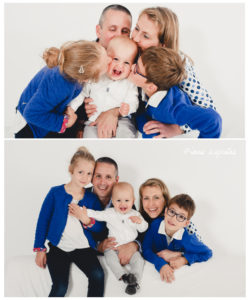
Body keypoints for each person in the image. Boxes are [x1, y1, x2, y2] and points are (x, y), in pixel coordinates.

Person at [86, 6, 218, 138]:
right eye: (136, 28)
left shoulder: (178, 64)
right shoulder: (128, 49)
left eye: (146, 36)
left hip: (161, 112)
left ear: (162, 45)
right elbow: (78, 68)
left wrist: (179, 129)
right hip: (137, 114)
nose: (136, 38)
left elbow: (209, 108)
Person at [33, 147, 105, 297]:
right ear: (71, 170)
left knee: (98, 275)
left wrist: (86, 220)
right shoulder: (55, 193)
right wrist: (40, 248)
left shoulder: (92, 199)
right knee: (60, 286)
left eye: (89, 174)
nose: (85, 177)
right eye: (80, 172)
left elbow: (101, 228)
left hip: (83, 248)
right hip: (59, 248)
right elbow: (43, 220)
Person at [15, 40, 111, 138]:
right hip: (30, 125)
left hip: (41, 112)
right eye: (106, 63)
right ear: (86, 78)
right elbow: (31, 113)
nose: (110, 60)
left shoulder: (76, 66)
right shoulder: (60, 85)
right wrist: (64, 122)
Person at [70, 182, 148, 295]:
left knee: (139, 261)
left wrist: (140, 222)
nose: (122, 204)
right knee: (110, 258)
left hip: (130, 249)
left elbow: (143, 228)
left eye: (126, 200)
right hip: (113, 247)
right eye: (118, 200)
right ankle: (123, 276)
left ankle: (134, 280)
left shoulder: (136, 215)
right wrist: (84, 212)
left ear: (133, 200)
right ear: (113, 200)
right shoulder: (110, 213)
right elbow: (97, 214)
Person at [128, 47, 222, 138]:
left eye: (136, 69)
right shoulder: (147, 89)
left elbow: (213, 120)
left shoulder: (173, 109)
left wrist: (203, 148)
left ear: (151, 87)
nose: (131, 66)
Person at [69, 36, 139, 138]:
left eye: (126, 62)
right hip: (94, 121)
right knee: (89, 137)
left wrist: (127, 108)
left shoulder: (129, 83)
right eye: (116, 59)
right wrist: (72, 107)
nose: (120, 65)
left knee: (126, 133)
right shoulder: (97, 75)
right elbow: (81, 92)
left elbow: (134, 101)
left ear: (132, 67)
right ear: (106, 58)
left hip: (121, 121)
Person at [142, 194, 213, 283]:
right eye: (172, 212)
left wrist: (184, 259)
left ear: (186, 223)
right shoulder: (155, 225)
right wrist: (160, 264)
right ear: (165, 211)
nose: (173, 218)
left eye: (181, 217)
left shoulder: (188, 237)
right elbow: (145, 249)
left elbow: (207, 253)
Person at [89, 157, 140, 265]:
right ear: (91, 178)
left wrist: (134, 244)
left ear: (116, 180)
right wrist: (98, 245)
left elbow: (138, 229)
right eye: (98, 176)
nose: (102, 182)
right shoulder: (80, 197)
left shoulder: (124, 201)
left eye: (108, 177)